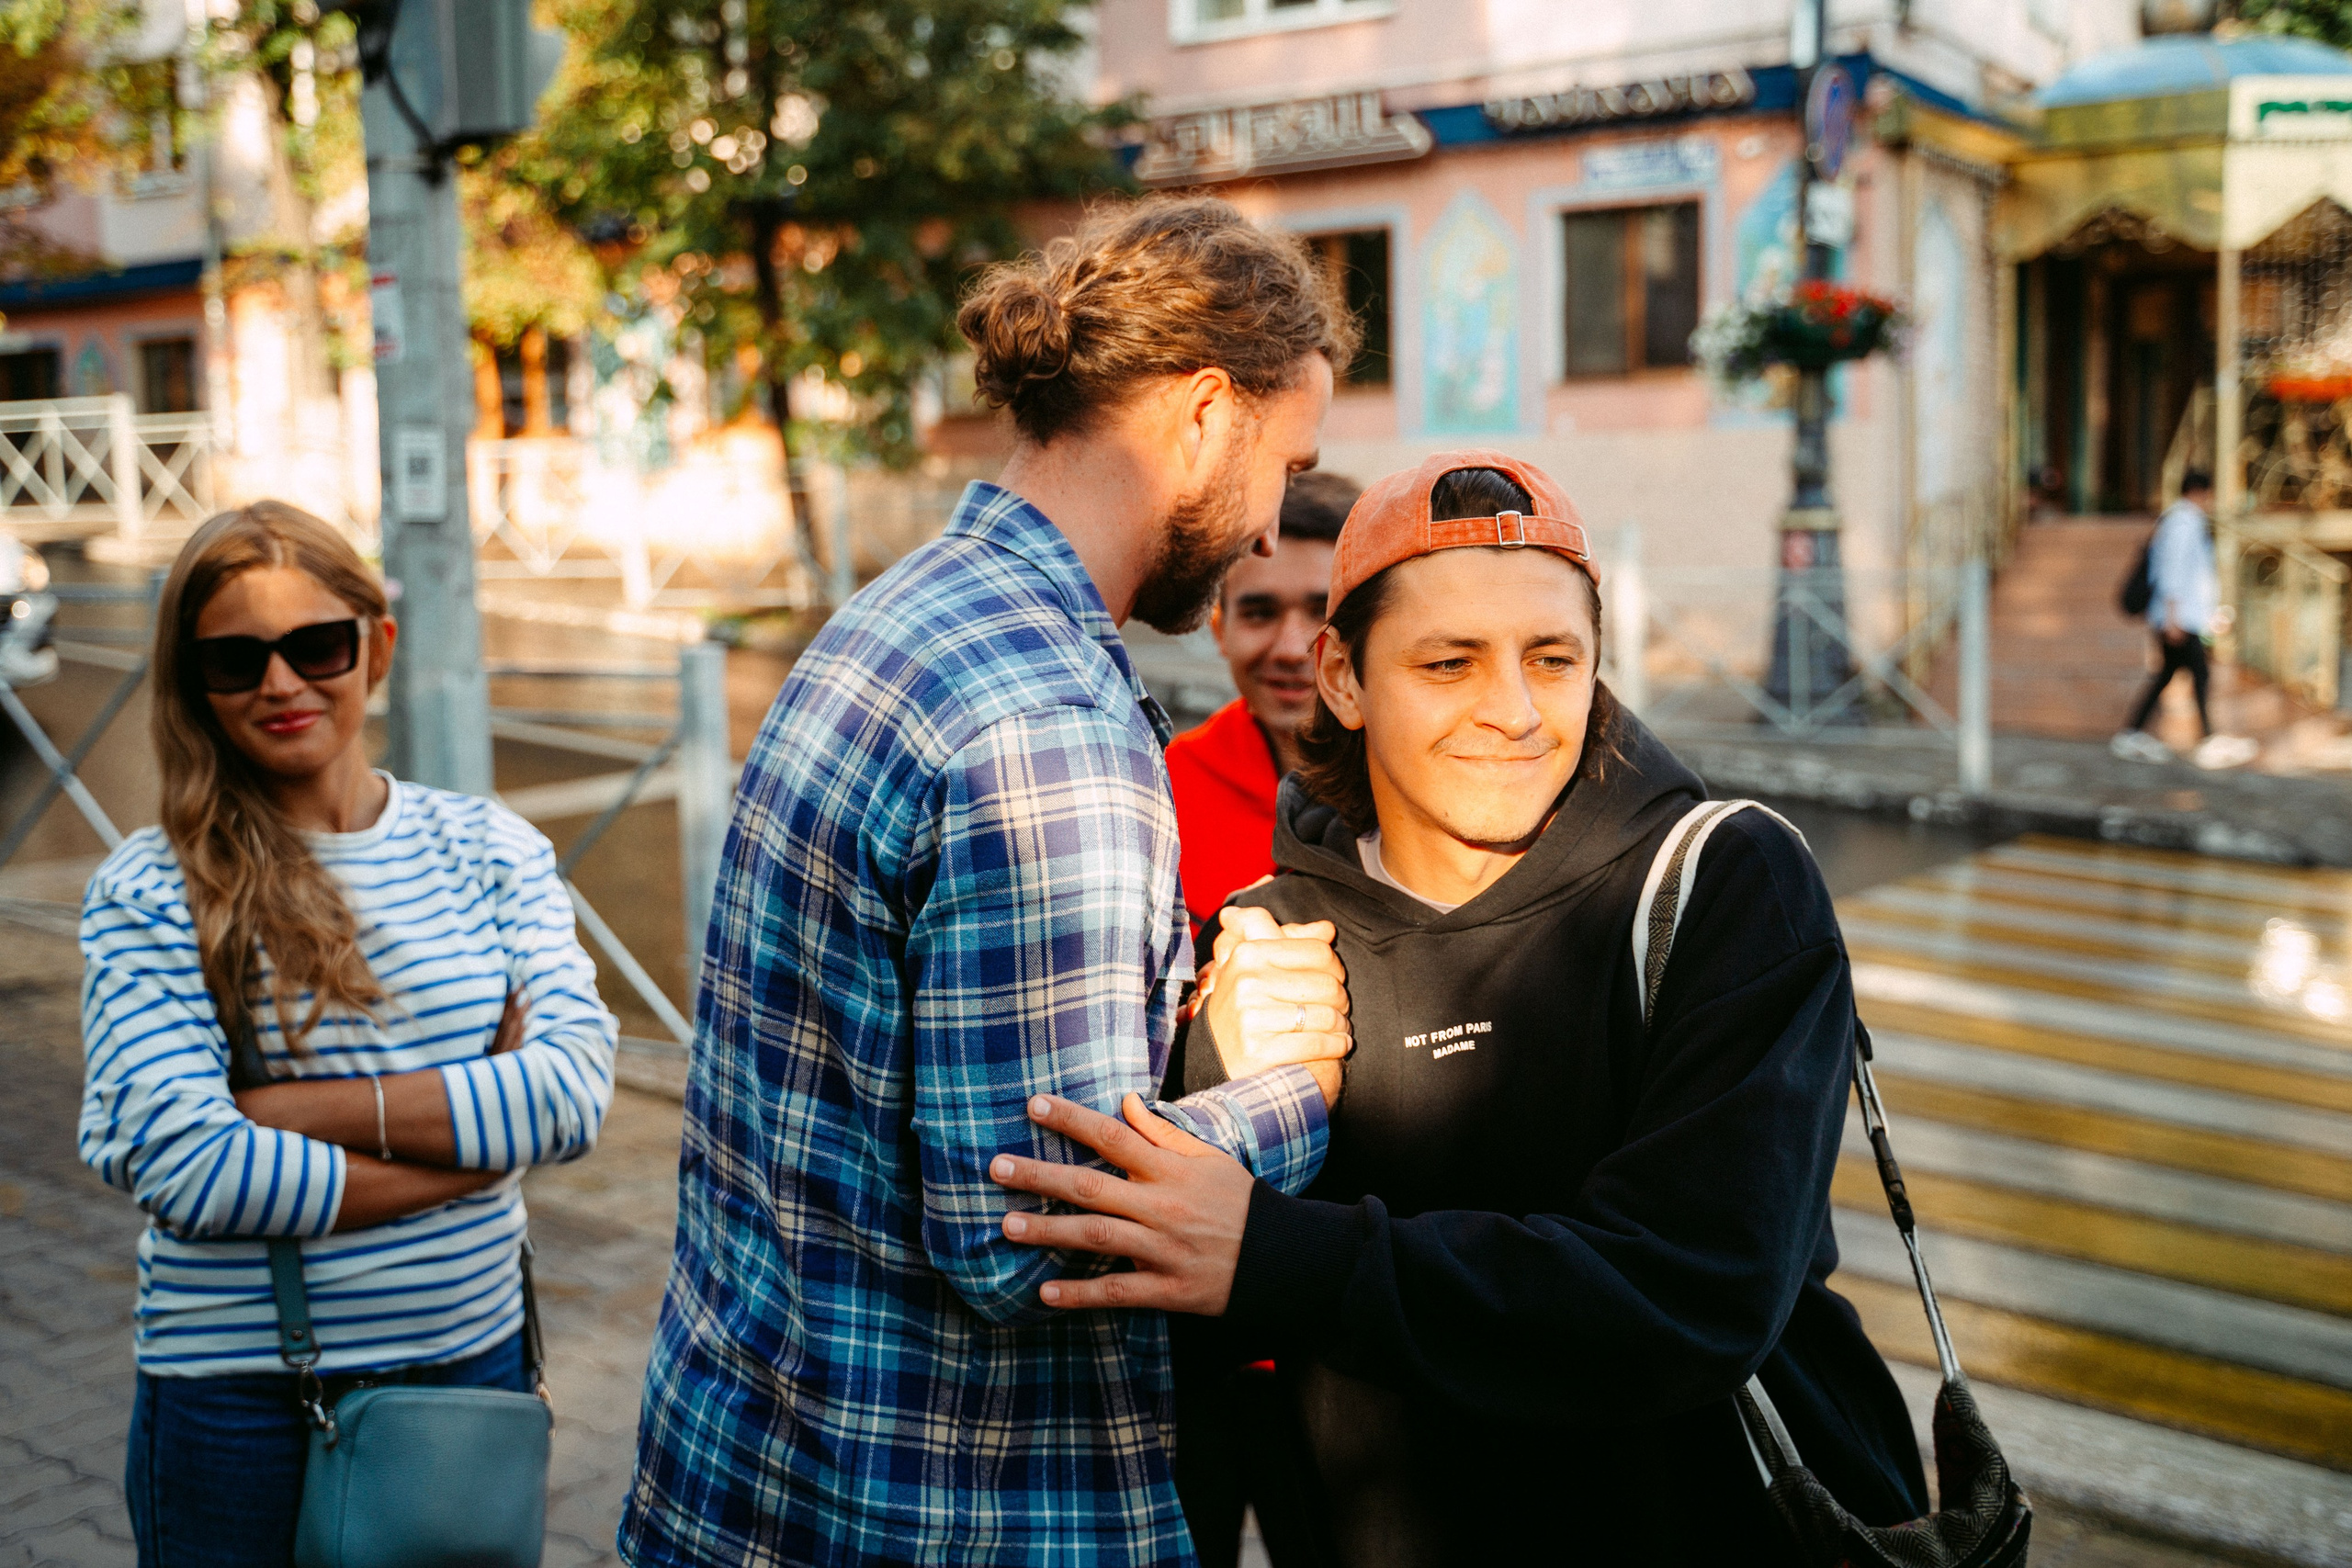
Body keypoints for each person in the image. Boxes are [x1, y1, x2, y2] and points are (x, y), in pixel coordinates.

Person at [991, 453, 1930, 1567]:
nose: (1516, 713)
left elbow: (1692, 1295)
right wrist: (1215, 1082)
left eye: (1552, 658)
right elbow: (1152, 1288)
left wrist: (1276, 1250)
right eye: (1449, 663)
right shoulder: (1267, 940)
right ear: (1342, 678)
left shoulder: (1721, 882)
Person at [622, 195, 1363, 1568]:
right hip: (931, 1507)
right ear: (1207, 413)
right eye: (1287, 463)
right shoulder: (1049, 721)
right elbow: (1031, 1236)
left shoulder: (907, 611)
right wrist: (1297, 1086)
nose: (1269, 533)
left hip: (753, 1470)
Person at [78, 501, 617, 1565]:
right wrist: (475, 1156)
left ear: (376, 643)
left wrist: (291, 1113)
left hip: (473, 1368)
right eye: (236, 660)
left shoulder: (488, 847)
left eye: (314, 645)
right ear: (195, 683)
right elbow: (195, 1171)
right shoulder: (152, 889)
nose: (281, 685)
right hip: (244, 1402)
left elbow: (569, 1093)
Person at [1167, 469, 1358, 932]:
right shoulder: (1166, 790)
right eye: (1260, 613)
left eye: (1323, 612)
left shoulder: (1429, 778)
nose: (1293, 648)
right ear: (1219, 629)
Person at [2112, 469, 2257, 769]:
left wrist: (2205, 617)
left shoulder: (2180, 521)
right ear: (2201, 492)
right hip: (2176, 619)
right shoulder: (2183, 522)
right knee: (2198, 675)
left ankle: (2133, 733)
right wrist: (2174, 618)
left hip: (2182, 617)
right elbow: (2173, 573)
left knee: (2170, 674)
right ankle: (2205, 739)